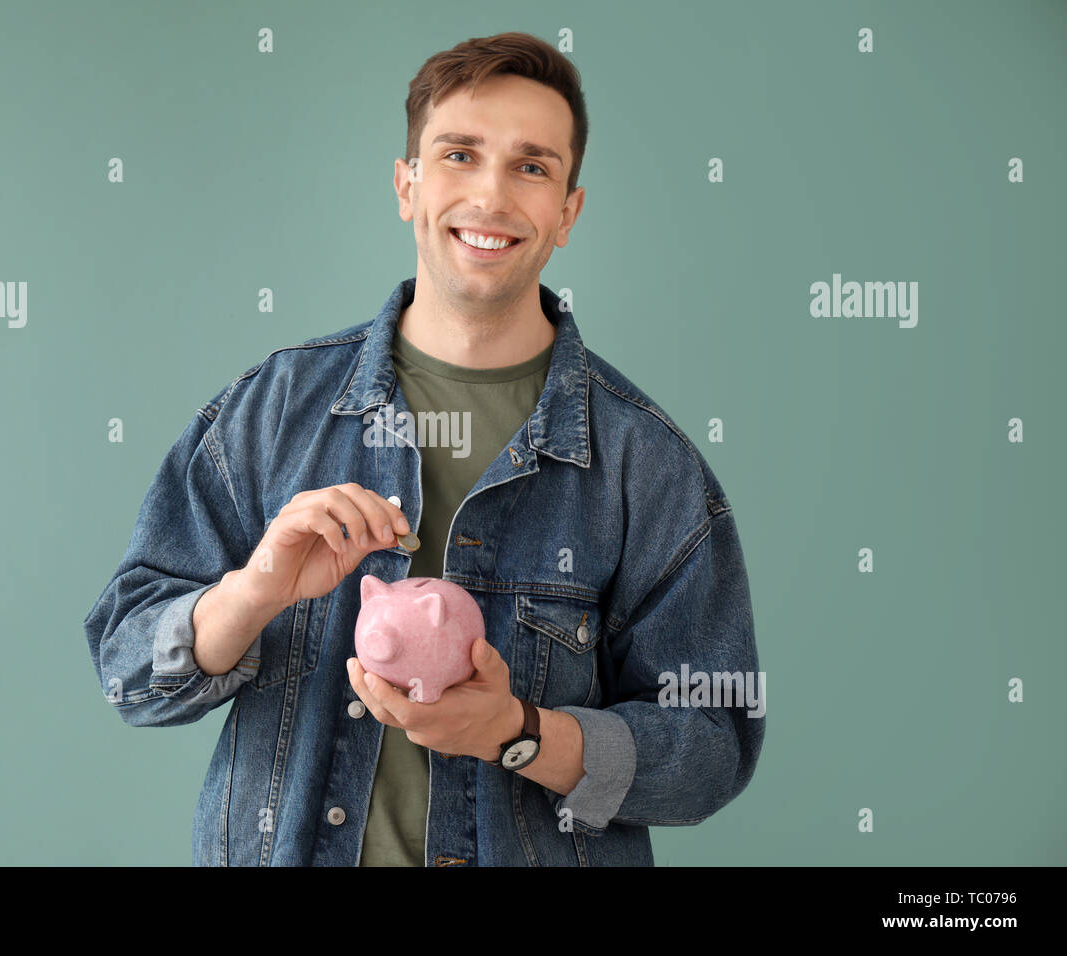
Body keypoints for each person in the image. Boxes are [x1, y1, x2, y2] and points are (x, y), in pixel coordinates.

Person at [83, 31, 764, 867]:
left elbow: (714, 746)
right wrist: (254, 590)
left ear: (568, 212)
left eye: (532, 166)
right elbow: (128, 670)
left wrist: (521, 735)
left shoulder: (645, 464)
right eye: (459, 154)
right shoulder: (272, 411)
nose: (491, 195)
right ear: (407, 185)